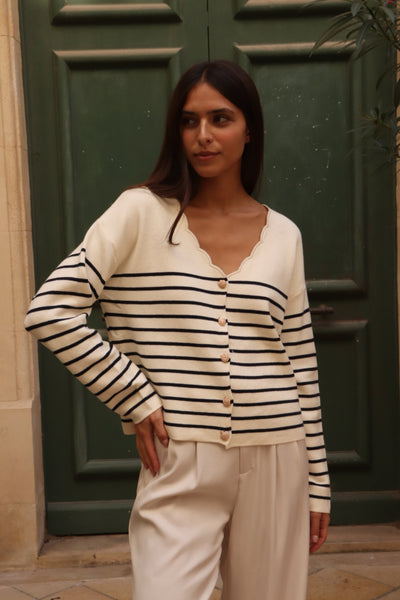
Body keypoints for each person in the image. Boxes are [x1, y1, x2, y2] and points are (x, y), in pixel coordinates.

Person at [25, 60, 330, 600]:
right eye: (190, 121)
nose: (203, 135)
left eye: (221, 119)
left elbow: (300, 361)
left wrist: (318, 483)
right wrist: (135, 396)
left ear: (249, 129)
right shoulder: (139, 214)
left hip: (278, 451)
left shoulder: (285, 235)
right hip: (179, 456)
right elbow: (51, 310)